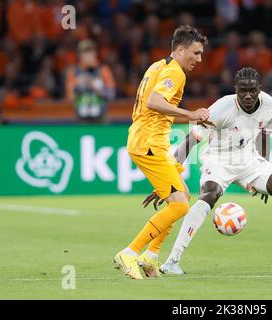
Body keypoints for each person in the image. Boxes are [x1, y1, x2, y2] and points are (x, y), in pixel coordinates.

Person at [143, 67, 272, 275]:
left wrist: (264, 172)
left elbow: (265, 135)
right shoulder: (221, 109)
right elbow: (190, 140)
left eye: (252, 90)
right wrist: (170, 178)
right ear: (235, 90)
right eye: (242, 91)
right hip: (218, 159)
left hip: (249, 159)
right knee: (209, 195)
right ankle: (172, 261)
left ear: (260, 89)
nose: (248, 95)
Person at [114, 25, 211, 280]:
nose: (199, 59)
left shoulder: (157, 65)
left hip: (148, 139)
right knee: (179, 207)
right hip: (149, 143)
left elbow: (158, 111)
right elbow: (154, 102)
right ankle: (130, 253)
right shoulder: (175, 73)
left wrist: (190, 120)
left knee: (182, 196)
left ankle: (151, 256)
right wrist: (191, 114)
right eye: (196, 52)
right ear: (180, 50)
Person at [65, 39, 115, 123]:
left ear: (95, 53)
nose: (88, 56)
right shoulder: (73, 72)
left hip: (101, 118)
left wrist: (95, 86)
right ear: (79, 55)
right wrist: (78, 84)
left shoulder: (103, 70)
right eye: (84, 52)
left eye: (90, 52)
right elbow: (69, 98)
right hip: (80, 119)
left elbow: (111, 94)